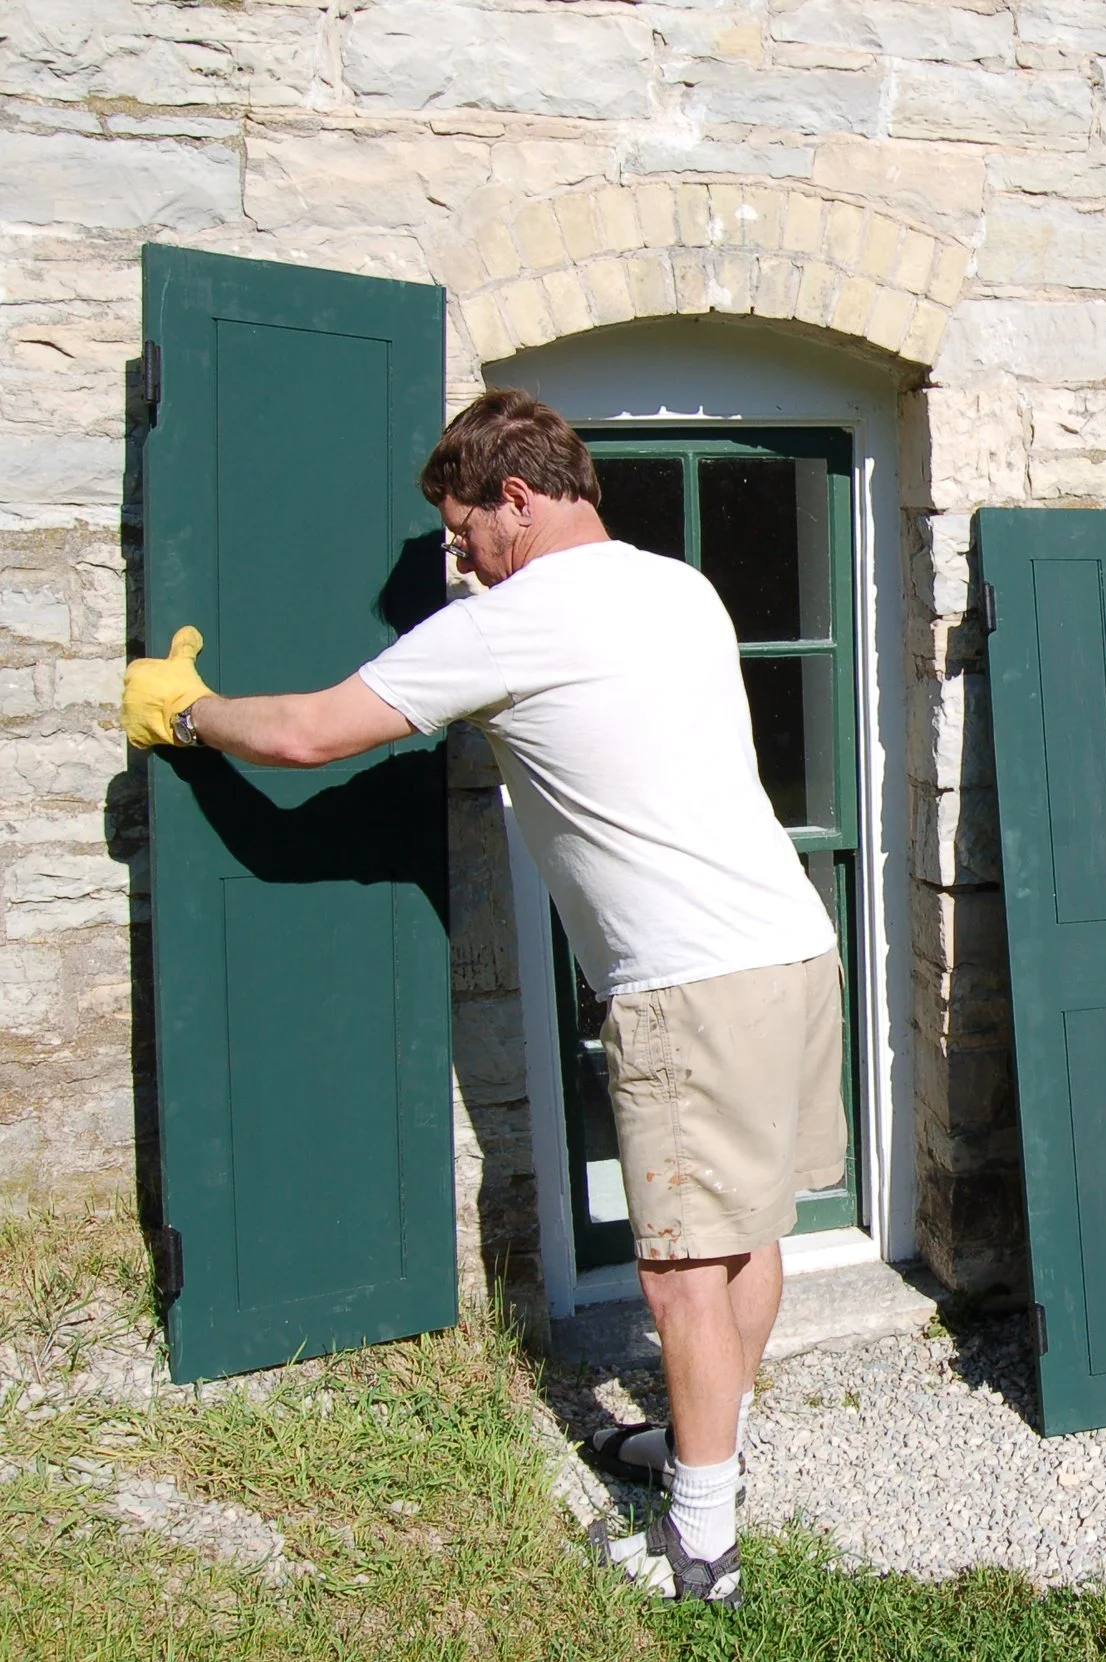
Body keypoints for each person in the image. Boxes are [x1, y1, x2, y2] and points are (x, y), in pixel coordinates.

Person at [120, 389, 844, 1605]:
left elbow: (306, 734)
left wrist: (183, 711)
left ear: (518, 498)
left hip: (689, 985)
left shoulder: (515, 622)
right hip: (787, 947)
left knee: (677, 1271)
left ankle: (699, 1543)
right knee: (745, 1234)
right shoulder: (681, 586)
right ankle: (703, 1447)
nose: (460, 560)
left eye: (465, 532)